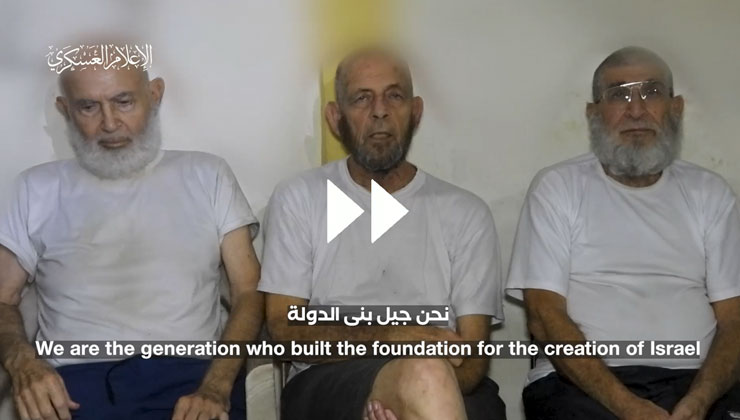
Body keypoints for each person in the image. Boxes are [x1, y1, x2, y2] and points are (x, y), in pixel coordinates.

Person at [0, 60, 263, 420]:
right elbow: (3, 298)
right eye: (88, 107)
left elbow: (248, 291)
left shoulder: (207, 174)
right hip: (73, 385)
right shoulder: (36, 187)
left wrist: (216, 386)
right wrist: (23, 363)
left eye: (123, 102)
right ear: (65, 109)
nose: (109, 123)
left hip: (189, 378)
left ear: (154, 94)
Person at [258, 47, 507, 420]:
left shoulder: (466, 213)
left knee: (439, 383)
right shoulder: (300, 197)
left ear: (415, 112)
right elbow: (284, 330)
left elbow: (472, 359)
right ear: (335, 117)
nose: (380, 111)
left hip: (451, 380)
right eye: (362, 98)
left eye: (394, 96)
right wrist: (393, 338)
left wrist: (418, 389)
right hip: (328, 376)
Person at [507, 46, 740, 419]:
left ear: (676, 108)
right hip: (582, 384)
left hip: (697, 382)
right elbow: (544, 316)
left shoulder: (710, 193)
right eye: (618, 95)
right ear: (593, 113)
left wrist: (699, 401)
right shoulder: (558, 187)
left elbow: (734, 321)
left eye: (651, 92)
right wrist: (629, 408)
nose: (636, 110)